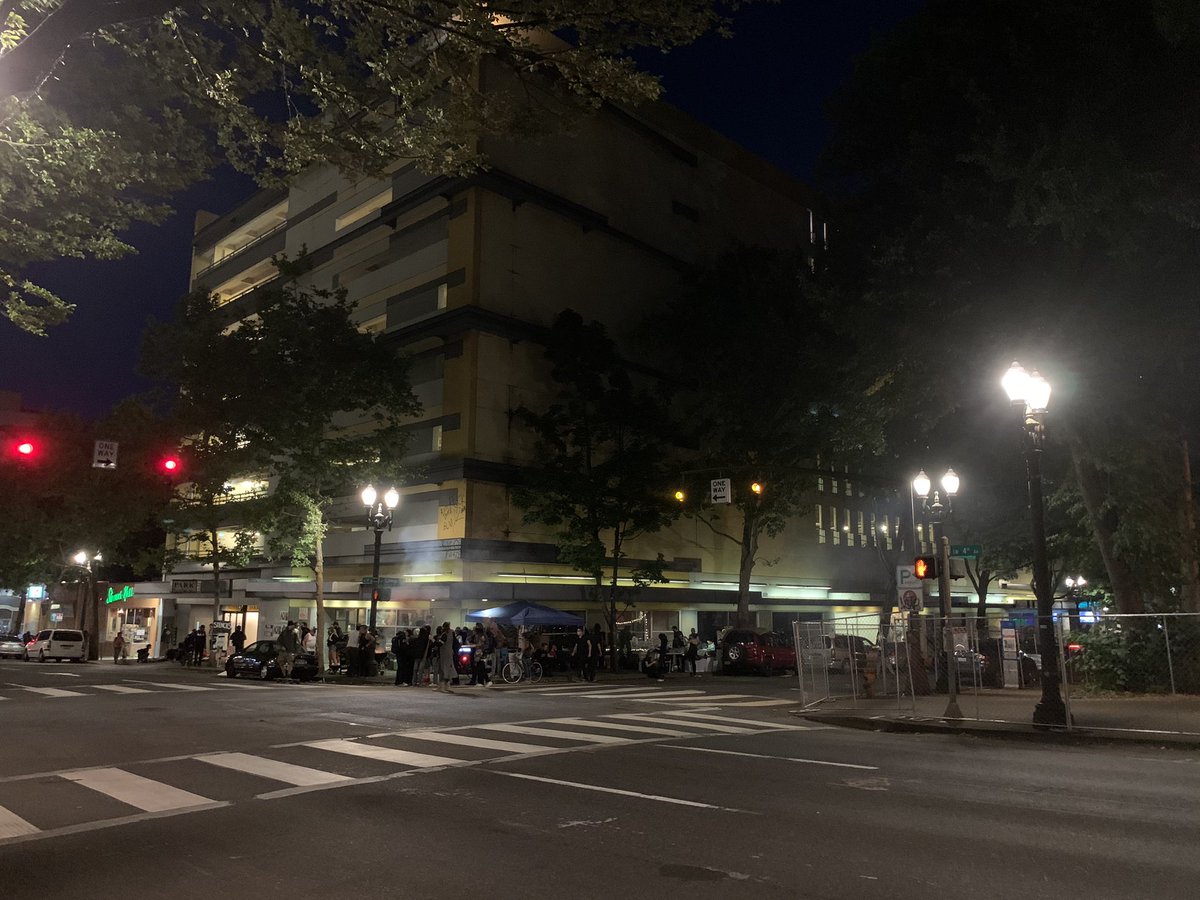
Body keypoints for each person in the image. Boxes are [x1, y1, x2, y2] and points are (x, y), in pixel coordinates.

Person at [435, 622, 455, 693]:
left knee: (442, 670)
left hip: (443, 654)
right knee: (448, 670)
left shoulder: (444, 635)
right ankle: (447, 686)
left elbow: (440, 644)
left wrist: (433, 641)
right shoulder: (452, 633)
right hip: (449, 653)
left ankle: (442, 687)